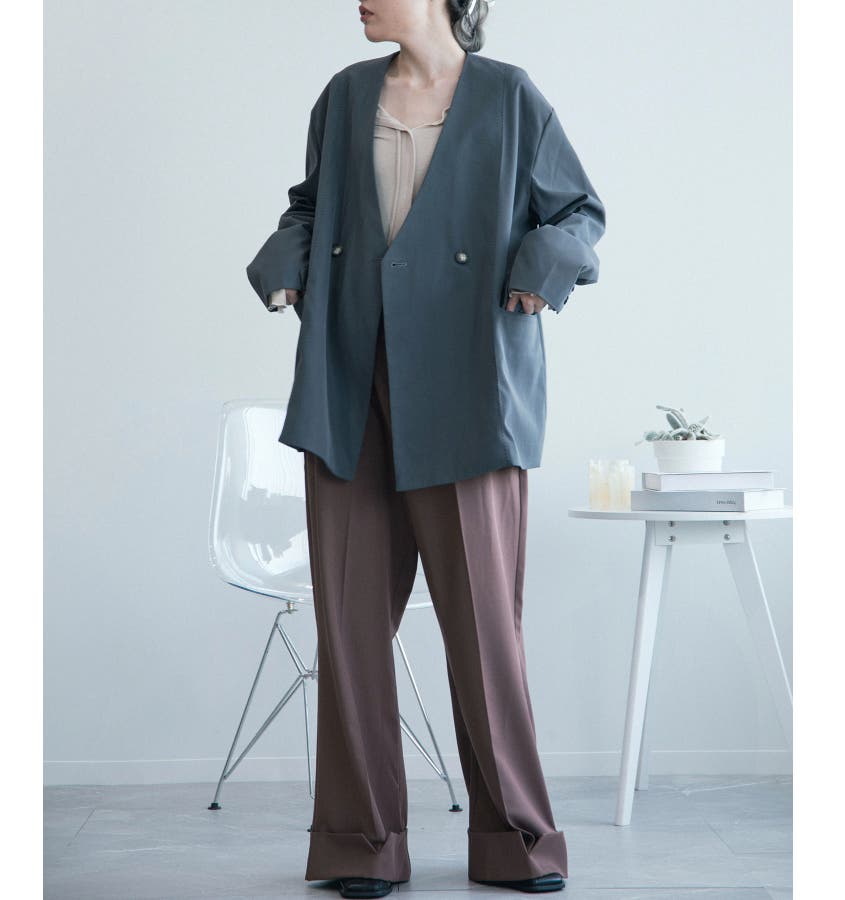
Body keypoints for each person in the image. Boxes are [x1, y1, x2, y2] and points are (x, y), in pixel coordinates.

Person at [245, 2, 605, 897]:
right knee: (351, 624)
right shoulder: (345, 96)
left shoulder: (509, 98)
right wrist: (284, 264)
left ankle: (516, 840)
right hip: (348, 377)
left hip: (468, 381)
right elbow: (309, 207)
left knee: (484, 628)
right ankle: (360, 843)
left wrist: (540, 272)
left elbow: (578, 212)